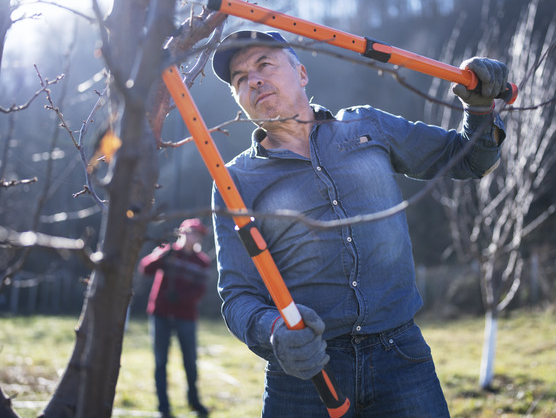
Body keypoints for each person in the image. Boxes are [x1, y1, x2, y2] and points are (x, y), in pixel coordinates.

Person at [210, 30, 509, 417]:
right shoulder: (235, 182)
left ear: (301, 73)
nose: (253, 80)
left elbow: (467, 159)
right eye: (239, 79)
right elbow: (236, 296)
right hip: (306, 376)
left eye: (263, 64)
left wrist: (481, 109)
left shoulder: (369, 127)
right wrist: (274, 331)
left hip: (401, 357)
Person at [138, 218, 212, 417]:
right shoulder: (168, 252)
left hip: (185, 316)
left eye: (197, 234)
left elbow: (199, 291)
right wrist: (160, 255)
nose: (193, 237)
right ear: (182, 233)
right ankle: (164, 408)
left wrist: (179, 298)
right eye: (190, 232)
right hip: (160, 314)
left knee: (190, 360)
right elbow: (145, 269)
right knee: (161, 361)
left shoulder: (202, 262)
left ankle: (194, 401)